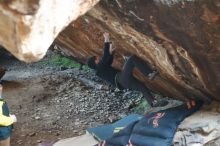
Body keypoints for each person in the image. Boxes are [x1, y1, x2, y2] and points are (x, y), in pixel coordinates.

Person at [87, 32, 168, 107]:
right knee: (132, 59)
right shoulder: (99, 69)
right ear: (95, 62)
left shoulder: (101, 70)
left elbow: (107, 62)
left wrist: (111, 52)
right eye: (97, 59)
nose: (99, 58)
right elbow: (105, 57)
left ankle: (153, 102)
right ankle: (149, 74)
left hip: (123, 83)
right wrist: (106, 39)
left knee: (141, 87)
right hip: (121, 78)